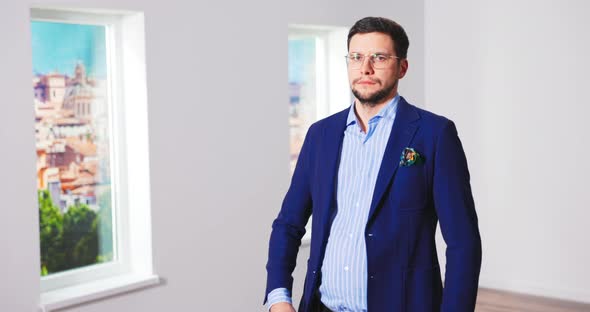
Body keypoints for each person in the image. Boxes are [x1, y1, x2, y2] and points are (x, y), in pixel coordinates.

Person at [265, 16, 482, 312]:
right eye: (356, 57)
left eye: (379, 57)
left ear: (402, 67)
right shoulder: (321, 135)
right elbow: (288, 224)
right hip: (321, 307)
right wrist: (279, 297)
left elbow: (463, 243)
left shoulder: (435, 135)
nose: (365, 68)